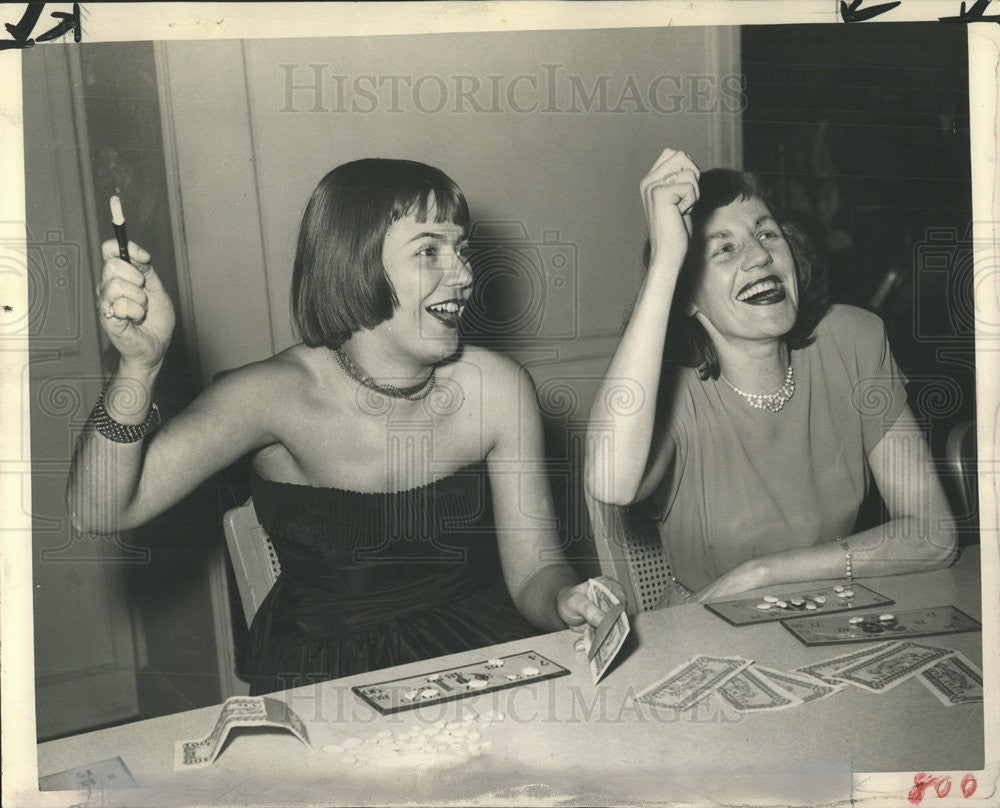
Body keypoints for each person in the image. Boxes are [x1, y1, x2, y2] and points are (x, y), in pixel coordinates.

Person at [69, 158, 623, 695]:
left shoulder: (498, 388)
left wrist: (565, 599)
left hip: (481, 658)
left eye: (462, 250)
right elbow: (100, 510)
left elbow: (535, 570)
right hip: (325, 678)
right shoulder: (271, 394)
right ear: (353, 264)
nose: (464, 273)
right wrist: (139, 367)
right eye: (430, 250)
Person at [585, 147, 957, 607]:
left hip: (830, 607)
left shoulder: (855, 339)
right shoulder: (672, 393)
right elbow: (609, 484)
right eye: (723, 248)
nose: (759, 256)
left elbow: (932, 534)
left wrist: (762, 573)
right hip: (707, 628)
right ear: (687, 299)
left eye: (766, 233)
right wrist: (665, 262)